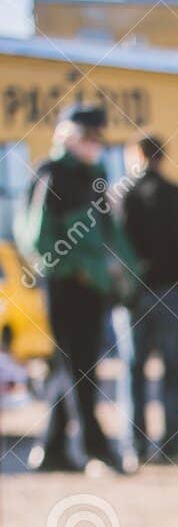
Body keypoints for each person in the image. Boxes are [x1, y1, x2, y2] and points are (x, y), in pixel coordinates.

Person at [19, 104, 138, 473]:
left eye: (98, 137)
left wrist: (127, 271)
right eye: (88, 137)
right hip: (66, 285)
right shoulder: (51, 174)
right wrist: (79, 268)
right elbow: (37, 240)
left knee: (72, 366)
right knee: (79, 367)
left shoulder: (95, 176)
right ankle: (95, 450)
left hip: (95, 286)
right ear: (67, 135)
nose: (95, 144)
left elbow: (110, 233)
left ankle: (51, 450)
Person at [122, 133, 178, 463]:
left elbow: (117, 250)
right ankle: (170, 444)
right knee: (173, 371)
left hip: (135, 295)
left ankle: (135, 446)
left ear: (136, 155)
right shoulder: (177, 195)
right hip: (175, 293)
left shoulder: (125, 195)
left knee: (134, 372)